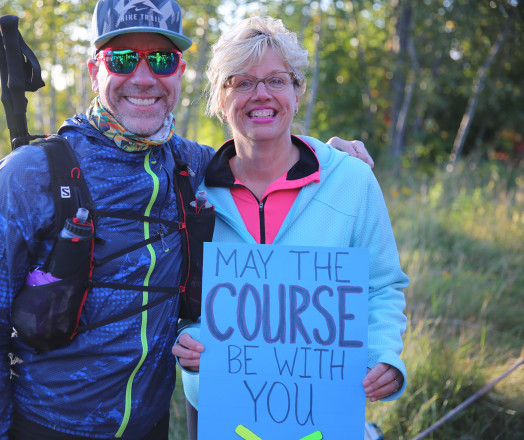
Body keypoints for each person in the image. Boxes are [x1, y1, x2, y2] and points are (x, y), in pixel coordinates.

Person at [0, 1, 372, 438]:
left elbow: (261, 151)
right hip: (47, 426)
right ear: (94, 71)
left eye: (161, 59)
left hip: (152, 426)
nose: (143, 77)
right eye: (121, 59)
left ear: (179, 72)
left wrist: (327, 155)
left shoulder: (190, 166)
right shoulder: (30, 173)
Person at [171, 16, 409, 440]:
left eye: (276, 81)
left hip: (327, 417)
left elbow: (381, 286)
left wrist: (385, 356)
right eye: (241, 82)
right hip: (224, 416)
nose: (261, 94)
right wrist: (191, 342)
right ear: (220, 99)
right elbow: (185, 304)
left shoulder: (351, 181)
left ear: (297, 92)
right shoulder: (194, 193)